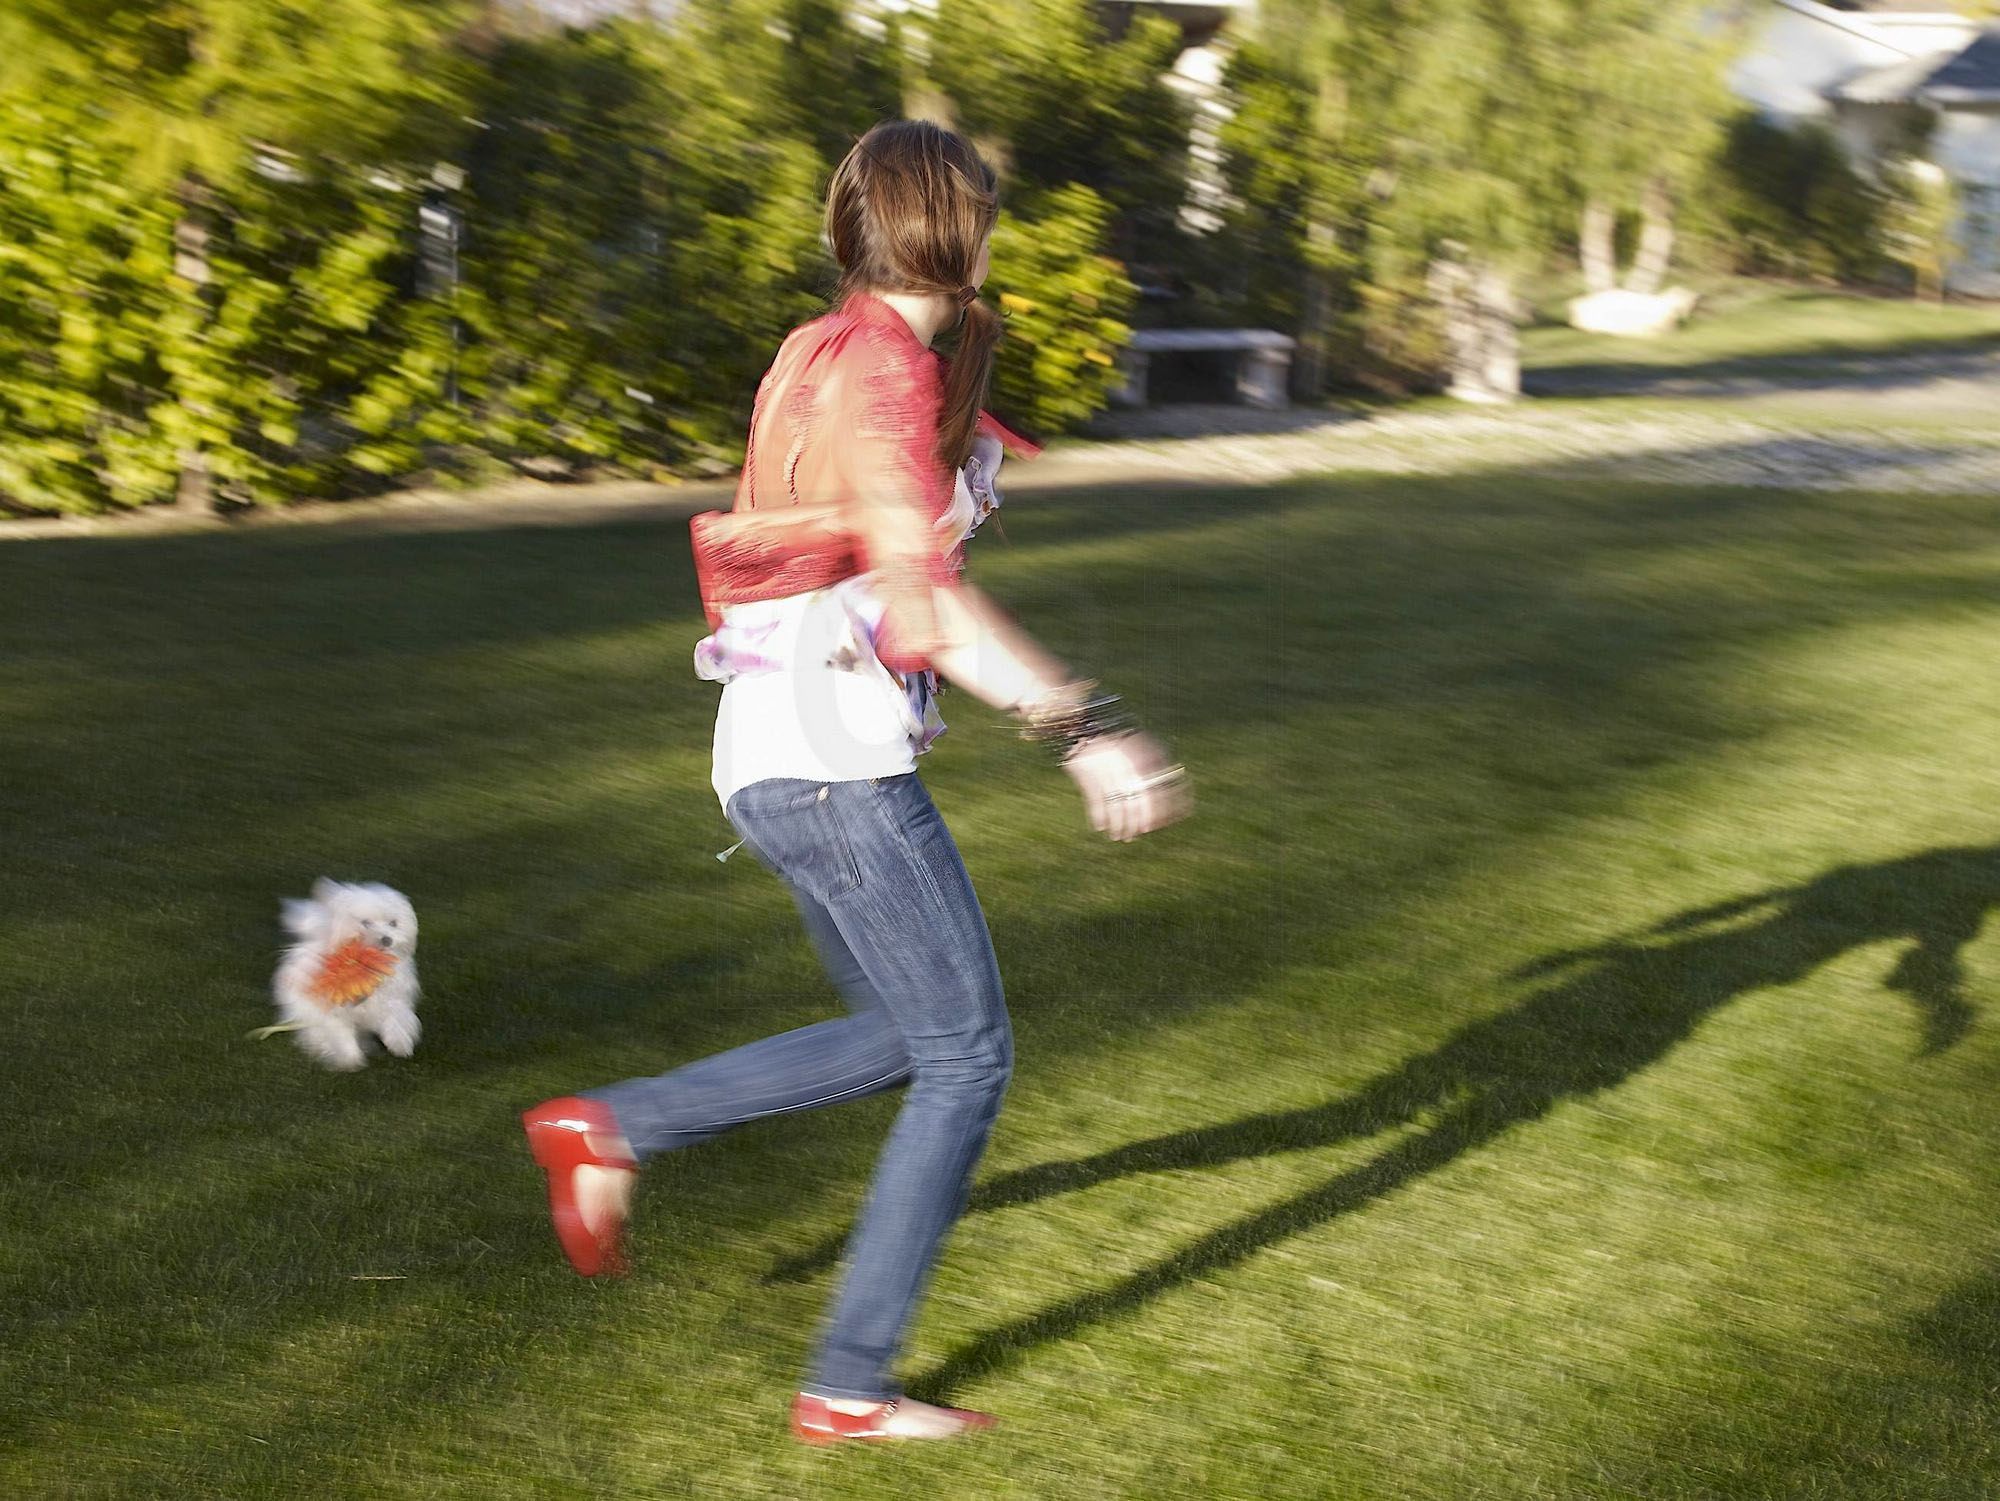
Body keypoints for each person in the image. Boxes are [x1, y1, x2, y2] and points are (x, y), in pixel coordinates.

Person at [521, 120, 1189, 1445]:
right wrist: (1086, 727)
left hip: (767, 754)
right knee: (968, 1058)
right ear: (961, 226)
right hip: (835, 765)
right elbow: (920, 600)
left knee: (904, 1035)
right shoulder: (881, 371)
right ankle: (846, 1379)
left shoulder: (818, 350)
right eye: (985, 214)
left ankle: (611, 1130)